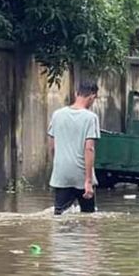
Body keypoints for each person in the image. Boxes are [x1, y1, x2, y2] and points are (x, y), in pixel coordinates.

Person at [49, 80, 100, 215]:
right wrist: (88, 181)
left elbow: (52, 147)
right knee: (89, 218)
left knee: (59, 216)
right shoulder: (91, 118)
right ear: (92, 97)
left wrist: (59, 166)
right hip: (81, 175)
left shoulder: (57, 115)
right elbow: (89, 149)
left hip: (61, 174)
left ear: (77, 93)